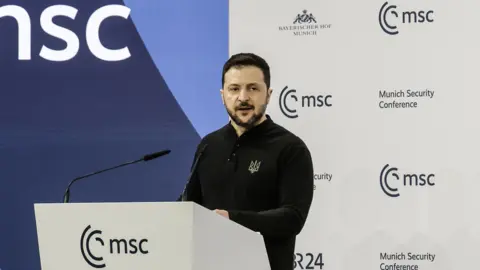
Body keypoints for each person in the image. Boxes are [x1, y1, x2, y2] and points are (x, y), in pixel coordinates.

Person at [180, 52, 314, 270]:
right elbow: (189, 204)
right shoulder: (208, 145)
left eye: (253, 88)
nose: (243, 97)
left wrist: (232, 218)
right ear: (222, 95)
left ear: (268, 95)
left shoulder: (290, 148)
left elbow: (292, 218)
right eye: (234, 89)